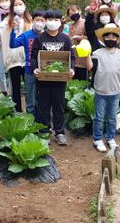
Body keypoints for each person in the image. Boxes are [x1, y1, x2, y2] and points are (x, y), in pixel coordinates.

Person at [31, 9, 76, 146]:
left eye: (56, 20)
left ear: (61, 21)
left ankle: (59, 132)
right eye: (50, 19)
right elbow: (33, 57)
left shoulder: (65, 39)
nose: (53, 22)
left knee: (59, 105)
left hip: (60, 80)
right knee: (43, 105)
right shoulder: (40, 39)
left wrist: (71, 69)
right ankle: (44, 131)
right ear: (45, 21)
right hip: (43, 79)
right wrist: (35, 69)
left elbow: (72, 57)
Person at [84, 23, 120, 152]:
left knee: (112, 117)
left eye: (113, 36)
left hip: (115, 92)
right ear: (103, 39)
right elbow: (90, 68)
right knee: (99, 117)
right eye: (107, 36)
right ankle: (97, 139)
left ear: (117, 39)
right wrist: (86, 55)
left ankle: (110, 137)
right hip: (101, 92)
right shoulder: (97, 53)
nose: (110, 38)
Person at [0, 0, 32, 109]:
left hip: (28, 60)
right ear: (11, 8)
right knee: (16, 89)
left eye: (20, 4)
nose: (18, 7)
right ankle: (17, 112)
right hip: (14, 60)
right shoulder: (7, 21)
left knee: (30, 88)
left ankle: (31, 113)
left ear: (25, 5)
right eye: (15, 5)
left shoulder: (30, 21)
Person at [10, 10, 45, 115]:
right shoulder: (26, 35)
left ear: (45, 22)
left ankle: (41, 119)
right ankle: (30, 122)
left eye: (42, 20)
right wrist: (13, 30)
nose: (39, 22)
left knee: (42, 98)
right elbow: (13, 44)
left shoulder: (47, 36)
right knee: (30, 98)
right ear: (32, 21)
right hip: (29, 71)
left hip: (45, 72)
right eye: (37, 20)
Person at [65, 5, 89, 81]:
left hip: (82, 58)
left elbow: (90, 38)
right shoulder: (70, 25)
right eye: (70, 14)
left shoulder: (85, 22)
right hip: (73, 58)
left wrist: (79, 37)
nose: (73, 15)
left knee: (82, 82)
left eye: (74, 12)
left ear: (79, 11)